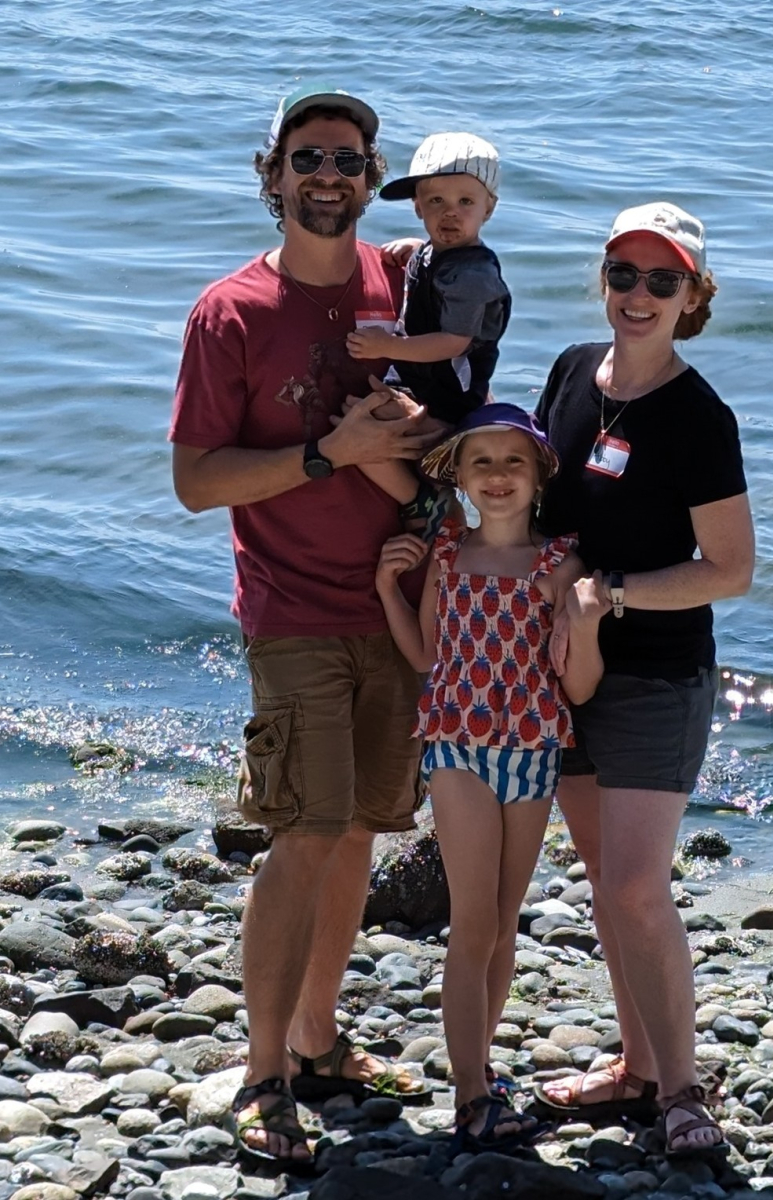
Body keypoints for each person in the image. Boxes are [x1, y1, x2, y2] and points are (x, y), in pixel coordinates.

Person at [169, 83, 441, 1172]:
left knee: (363, 828)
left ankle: (319, 1042)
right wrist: (330, 455)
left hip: (400, 609)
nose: (328, 176)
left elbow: (454, 415)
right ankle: (262, 1074)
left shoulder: (404, 286)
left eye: (347, 160)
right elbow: (198, 481)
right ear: (272, 174)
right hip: (290, 611)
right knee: (304, 831)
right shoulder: (230, 312)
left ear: (372, 181)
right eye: (308, 158)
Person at [531, 202, 755, 1163]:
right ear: (603, 279)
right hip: (559, 666)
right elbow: (537, 502)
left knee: (632, 886)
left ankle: (682, 1089)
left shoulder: (698, 416)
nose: (638, 294)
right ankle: (633, 1068)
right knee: (602, 880)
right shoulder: (571, 370)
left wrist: (608, 592)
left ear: (692, 298)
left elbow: (729, 569)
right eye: (623, 273)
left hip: (655, 675)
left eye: (662, 281)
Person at [374, 403, 604, 1152]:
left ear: (539, 475)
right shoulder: (447, 555)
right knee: (473, 920)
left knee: (504, 921)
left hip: (532, 748)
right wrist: (387, 590)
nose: (498, 475)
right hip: (456, 747)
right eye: (482, 462)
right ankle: (470, 1092)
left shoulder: (560, 565)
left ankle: (481, 1067)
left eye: (513, 462)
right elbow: (424, 657)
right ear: (459, 476)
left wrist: (585, 622)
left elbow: (578, 687)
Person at [345, 133, 511, 530]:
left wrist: (387, 346)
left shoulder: (472, 276)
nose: (450, 213)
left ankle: (421, 501)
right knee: (353, 414)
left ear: (488, 209)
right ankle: (427, 482)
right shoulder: (435, 253)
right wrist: (417, 248)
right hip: (422, 380)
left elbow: (453, 342)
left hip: (450, 394)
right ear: (417, 206)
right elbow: (436, 258)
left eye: (465, 202)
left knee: (360, 421)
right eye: (436, 201)